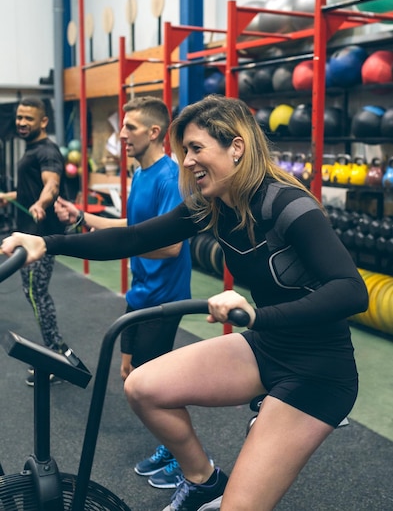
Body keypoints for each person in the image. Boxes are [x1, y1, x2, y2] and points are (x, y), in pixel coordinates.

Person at [1, 94, 368, 511]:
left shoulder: (287, 205)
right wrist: (45, 243)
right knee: (142, 386)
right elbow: (136, 237)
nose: (188, 161)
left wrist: (257, 315)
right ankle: (203, 480)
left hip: (318, 370)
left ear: (236, 147)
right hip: (268, 346)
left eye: (196, 149)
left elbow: (351, 290)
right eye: (184, 151)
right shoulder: (213, 205)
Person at [54, 96, 192, 489]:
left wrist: (116, 245)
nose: (121, 134)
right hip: (140, 292)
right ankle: (170, 446)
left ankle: (186, 461)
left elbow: (169, 245)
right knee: (131, 374)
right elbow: (133, 226)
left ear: (154, 132)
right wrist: (83, 217)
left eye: (129, 127)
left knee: (157, 385)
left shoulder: (171, 177)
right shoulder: (141, 173)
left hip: (165, 297)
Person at [0, 97, 72, 386]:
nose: (21, 123)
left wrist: (42, 203)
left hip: (39, 239)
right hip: (28, 235)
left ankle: (57, 357)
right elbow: (31, 190)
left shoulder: (47, 151)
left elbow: (51, 184)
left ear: (43, 122)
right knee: (34, 295)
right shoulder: (31, 148)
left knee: (37, 294)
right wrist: (9, 197)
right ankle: (57, 351)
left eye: (28, 118)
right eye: (19, 117)